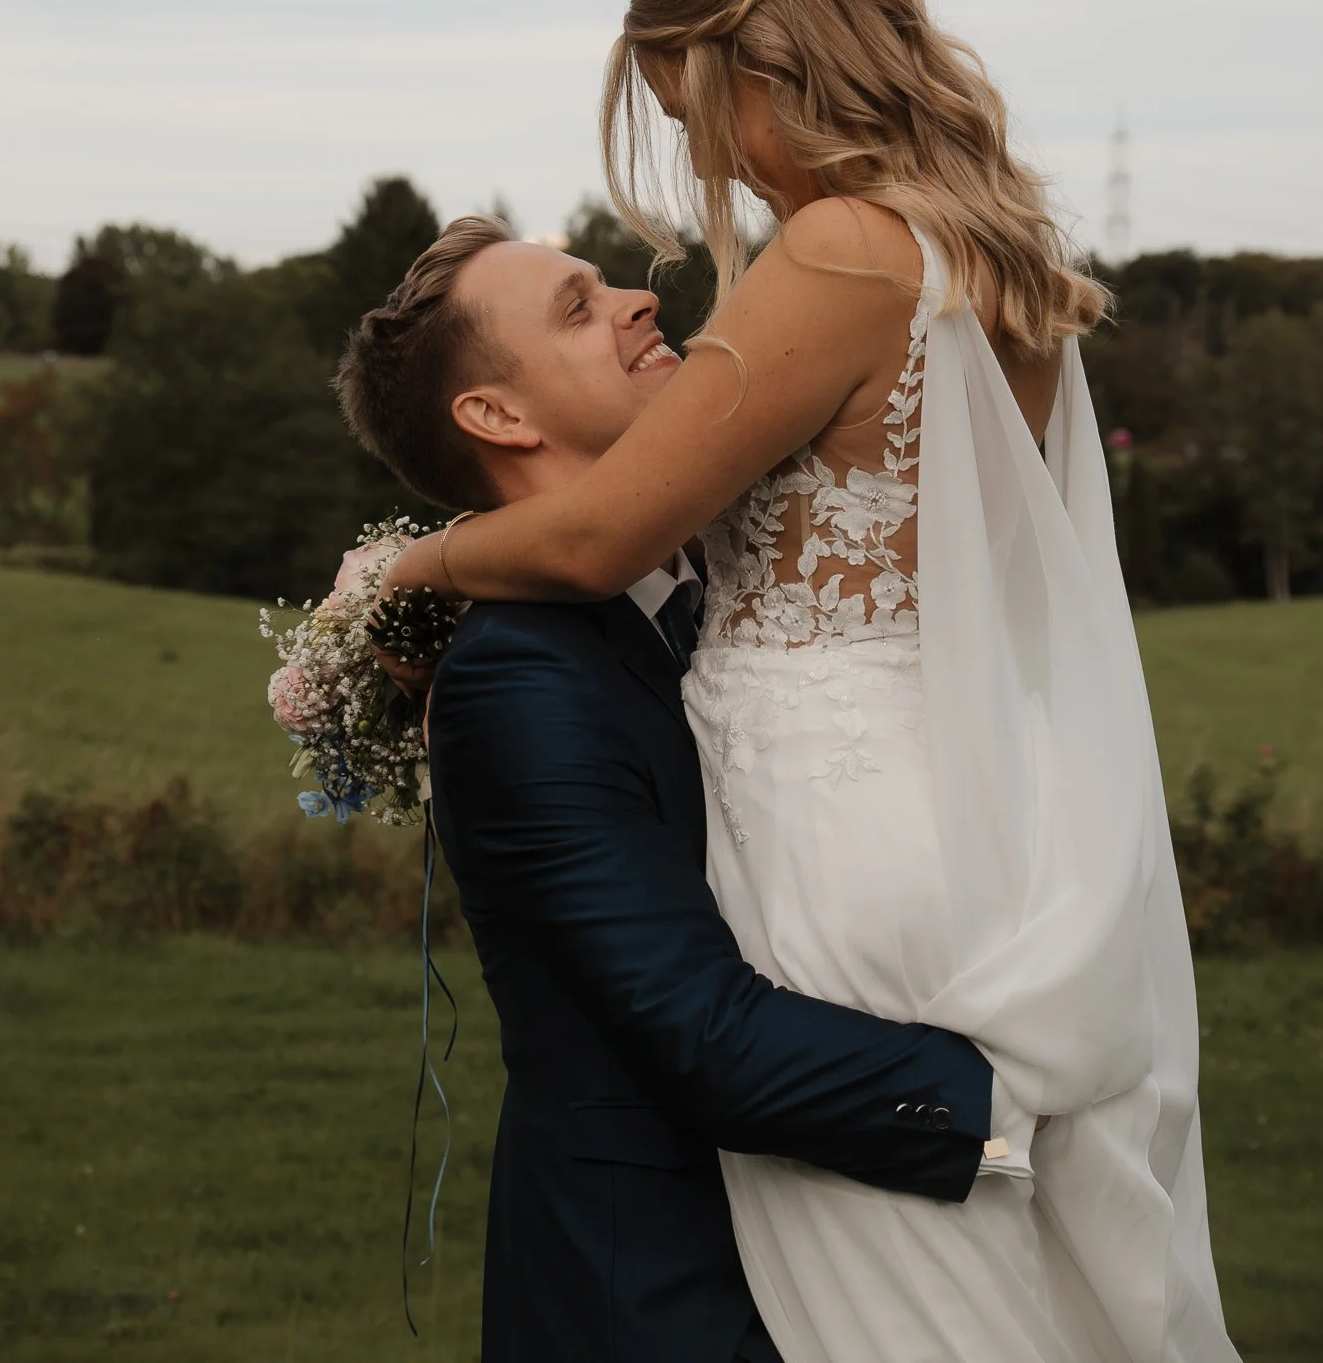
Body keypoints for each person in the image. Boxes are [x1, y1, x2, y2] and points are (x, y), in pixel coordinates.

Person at [376, 0, 1240, 1363]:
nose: (699, 148)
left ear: (734, 63)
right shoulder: (984, 250)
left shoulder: (841, 250)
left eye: (682, 102)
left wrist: (404, 572)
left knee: (903, 1307)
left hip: (829, 823)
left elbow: (590, 536)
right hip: (963, 799)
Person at [336, 212, 1003, 1363]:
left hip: (822, 1243)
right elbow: (702, 1037)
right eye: (577, 308)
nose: (639, 300)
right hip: (655, 1290)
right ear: (496, 416)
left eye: (609, 285)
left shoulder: (724, 586)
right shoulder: (518, 678)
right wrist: (1020, 1096)